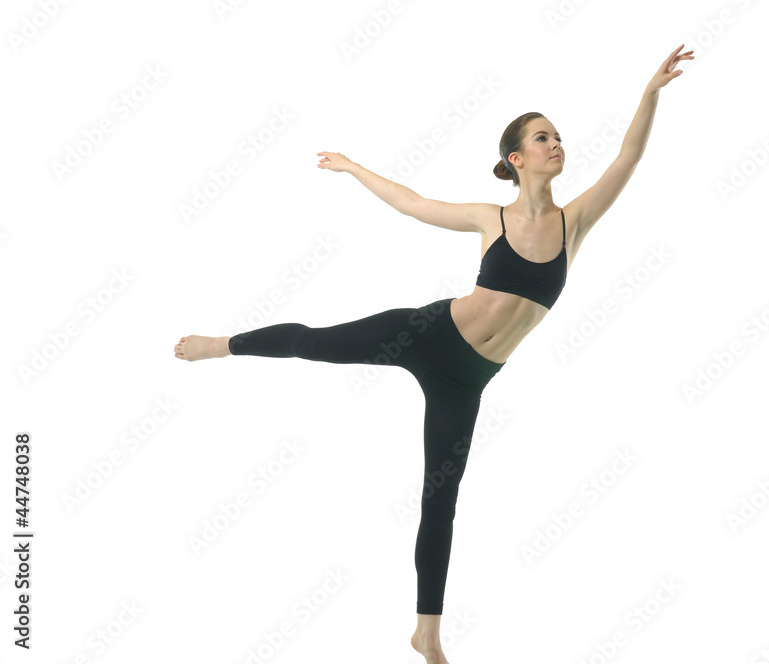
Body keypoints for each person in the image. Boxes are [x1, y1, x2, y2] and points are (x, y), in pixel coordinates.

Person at [174, 44, 693, 664]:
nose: (556, 144)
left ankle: (427, 632)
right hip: (425, 334)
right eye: (542, 137)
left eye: (558, 137)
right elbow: (412, 202)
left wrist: (649, 94)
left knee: (439, 500)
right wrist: (355, 167)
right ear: (515, 158)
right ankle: (220, 345)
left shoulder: (573, 222)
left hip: (468, 382)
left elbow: (627, 157)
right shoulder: (490, 218)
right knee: (314, 342)